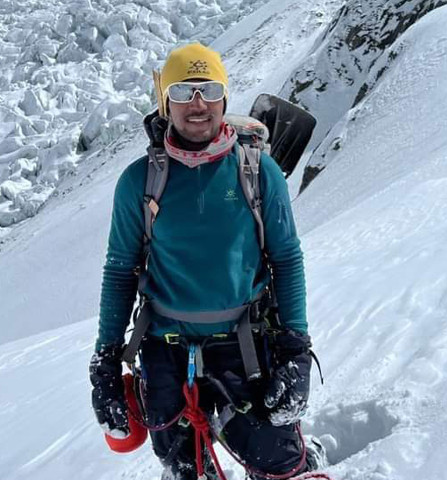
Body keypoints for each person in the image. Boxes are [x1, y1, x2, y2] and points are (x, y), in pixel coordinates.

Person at [89, 42, 322, 480]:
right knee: (188, 471)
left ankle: (302, 459)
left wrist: (295, 349)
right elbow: (120, 271)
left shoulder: (257, 171)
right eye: (182, 92)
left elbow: (286, 259)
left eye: (209, 90)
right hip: (164, 352)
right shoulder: (140, 181)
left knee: (278, 464)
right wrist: (105, 359)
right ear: (165, 102)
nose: (197, 104)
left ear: (225, 96)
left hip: (246, 346)